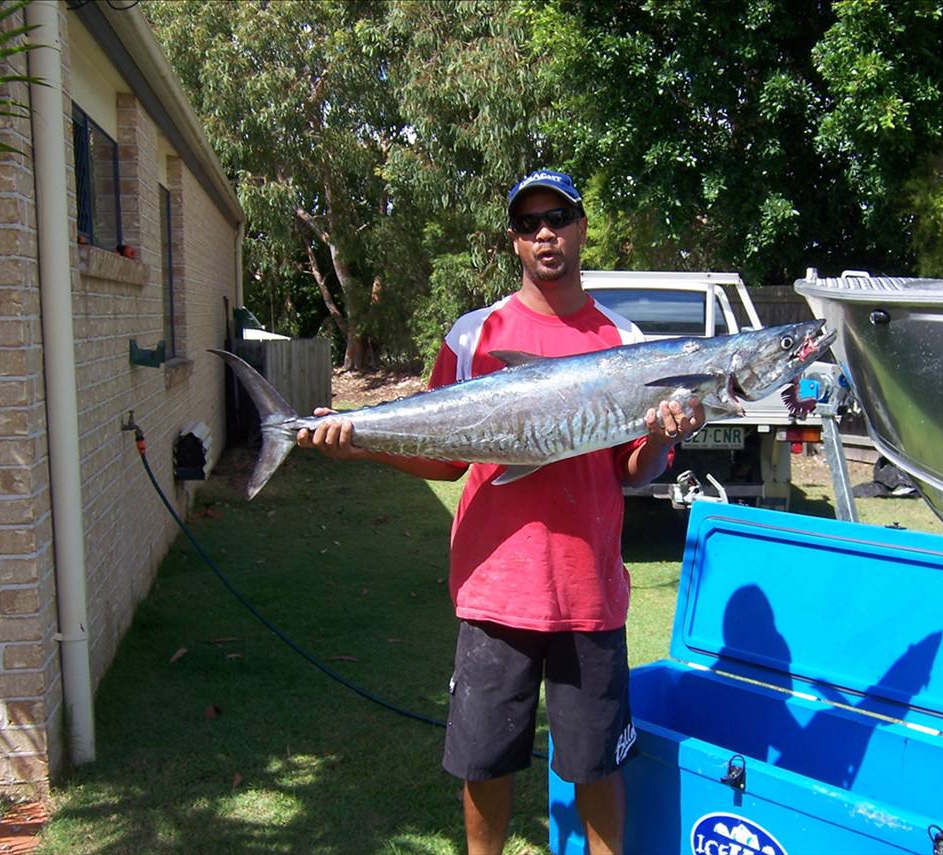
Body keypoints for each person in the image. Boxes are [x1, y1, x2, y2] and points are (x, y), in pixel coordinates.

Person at [297, 169, 701, 854]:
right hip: (495, 589)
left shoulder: (624, 338)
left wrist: (661, 438)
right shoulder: (474, 334)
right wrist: (359, 443)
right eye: (528, 223)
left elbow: (632, 469)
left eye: (558, 218)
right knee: (483, 764)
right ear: (513, 239)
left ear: (581, 227)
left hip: (587, 592)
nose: (545, 233)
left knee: (597, 765)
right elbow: (446, 459)